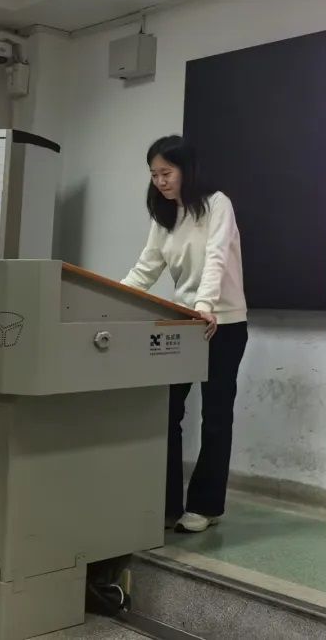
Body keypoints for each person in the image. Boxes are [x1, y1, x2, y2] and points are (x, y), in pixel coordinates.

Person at [121, 135, 248, 533]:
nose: (160, 181)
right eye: (154, 175)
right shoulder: (164, 216)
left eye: (166, 172)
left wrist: (205, 305)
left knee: (215, 416)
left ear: (186, 170)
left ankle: (205, 506)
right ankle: (165, 503)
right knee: (167, 410)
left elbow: (216, 258)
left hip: (222, 324)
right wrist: (111, 299)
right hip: (184, 323)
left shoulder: (217, 205)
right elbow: (145, 268)